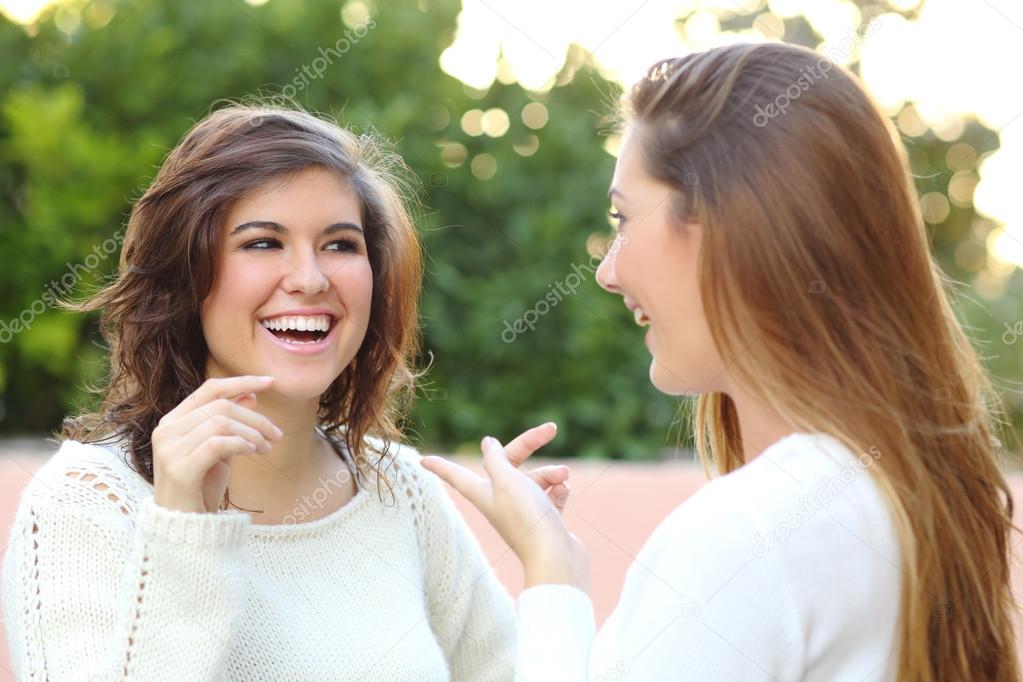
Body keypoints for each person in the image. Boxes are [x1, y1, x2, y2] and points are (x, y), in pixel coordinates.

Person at [422, 42, 1020, 681]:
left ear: (726, 226)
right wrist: (554, 563)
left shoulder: (744, 537)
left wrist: (549, 573)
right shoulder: (911, 495)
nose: (606, 270)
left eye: (623, 218)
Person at [1, 104, 570, 681]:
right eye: (263, 243)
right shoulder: (83, 505)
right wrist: (182, 528)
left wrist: (549, 565)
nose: (310, 278)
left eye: (340, 245)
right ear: (186, 274)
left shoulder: (406, 493)